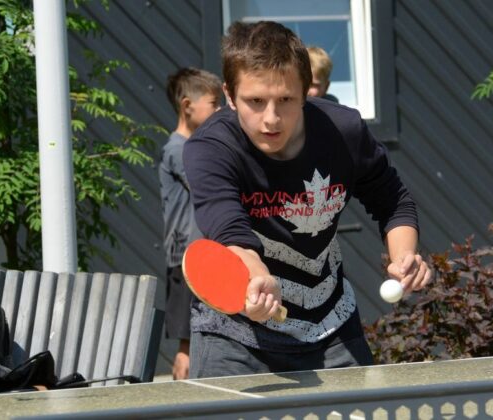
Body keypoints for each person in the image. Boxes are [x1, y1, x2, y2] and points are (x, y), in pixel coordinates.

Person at [183, 21, 431, 379]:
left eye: (286, 100)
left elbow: (393, 200)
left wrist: (403, 257)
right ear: (230, 95)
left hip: (332, 326)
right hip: (236, 334)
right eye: (255, 101)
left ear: (305, 92)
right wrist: (258, 279)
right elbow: (229, 231)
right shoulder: (210, 149)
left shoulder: (344, 132)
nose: (271, 118)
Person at [160, 67, 221, 380]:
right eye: (214, 103)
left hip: (196, 254)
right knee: (187, 346)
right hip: (187, 256)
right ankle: (184, 397)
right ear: (187, 106)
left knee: (197, 339)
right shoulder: (180, 150)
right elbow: (209, 186)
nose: (220, 110)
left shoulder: (188, 148)